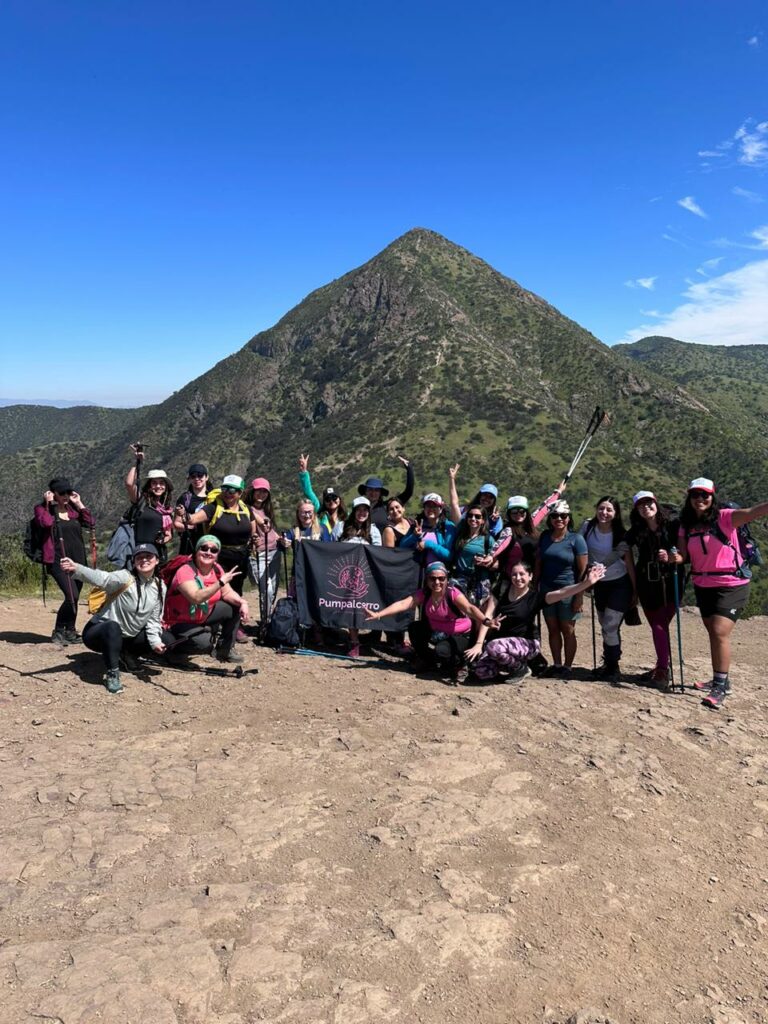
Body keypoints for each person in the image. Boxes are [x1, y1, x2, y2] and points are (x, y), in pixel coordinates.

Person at [666, 477, 768, 710]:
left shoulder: (725, 517)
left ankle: (720, 687)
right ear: (689, 498)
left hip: (732, 582)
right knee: (713, 632)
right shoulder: (686, 525)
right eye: (695, 495)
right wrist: (675, 558)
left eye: (705, 495)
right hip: (703, 583)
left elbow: (754, 511)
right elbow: (684, 557)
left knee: (720, 631)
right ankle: (721, 678)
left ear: (713, 497)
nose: (700, 499)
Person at [466, 561, 606, 682]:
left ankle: (521, 669)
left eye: (522, 574)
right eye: (514, 574)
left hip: (528, 643)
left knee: (493, 647)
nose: (518, 578)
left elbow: (562, 592)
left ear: (530, 576)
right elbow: (487, 617)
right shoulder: (501, 590)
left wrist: (586, 583)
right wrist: (479, 644)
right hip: (502, 642)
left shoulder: (535, 598)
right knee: (481, 671)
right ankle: (509, 665)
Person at [59, 543, 166, 694]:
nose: (144, 560)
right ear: (134, 562)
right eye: (139, 557)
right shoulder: (125, 577)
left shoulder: (160, 586)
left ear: (157, 560)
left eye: (149, 556)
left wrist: (155, 642)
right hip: (99, 633)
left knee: (164, 638)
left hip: (126, 637)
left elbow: (154, 619)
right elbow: (102, 578)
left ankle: (127, 655)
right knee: (113, 626)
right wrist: (76, 568)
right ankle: (112, 672)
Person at [364, 561, 496, 683]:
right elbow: (404, 603)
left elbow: (470, 608)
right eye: (433, 578)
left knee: (442, 651)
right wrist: (378, 614)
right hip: (438, 632)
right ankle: (427, 660)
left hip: (460, 635)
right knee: (415, 628)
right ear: (427, 580)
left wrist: (486, 620)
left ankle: (459, 664)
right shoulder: (425, 593)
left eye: (441, 578)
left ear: (446, 579)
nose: (437, 582)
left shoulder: (452, 593)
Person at [625, 490, 685, 689]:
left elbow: (685, 551)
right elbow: (622, 547)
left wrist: (671, 556)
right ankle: (662, 667)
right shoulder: (636, 530)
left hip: (671, 581)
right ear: (636, 509)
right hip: (648, 582)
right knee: (659, 625)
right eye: (641, 505)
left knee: (661, 626)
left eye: (648, 502)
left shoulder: (674, 524)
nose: (645, 507)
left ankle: (661, 668)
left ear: (656, 503)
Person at [162, 535, 250, 663]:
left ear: (217, 554)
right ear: (197, 550)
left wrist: (243, 602)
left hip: (201, 615)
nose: (208, 552)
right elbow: (196, 597)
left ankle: (225, 650)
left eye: (213, 550)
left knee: (234, 606)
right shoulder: (185, 570)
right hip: (177, 622)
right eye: (204, 548)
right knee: (204, 644)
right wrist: (219, 583)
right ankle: (172, 648)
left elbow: (227, 593)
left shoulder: (216, 569)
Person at [579, 496, 637, 684]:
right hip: (600, 584)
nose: (604, 513)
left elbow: (628, 562)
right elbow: (581, 553)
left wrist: (635, 591)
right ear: (596, 509)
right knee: (606, 626)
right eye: (602, 508)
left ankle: (613, 666)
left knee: (610, 625)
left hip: (619, 584)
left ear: (616, 513)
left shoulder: (621, 534)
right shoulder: (587, 528)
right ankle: (609, 663)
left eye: (609, 510)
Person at [33, 479, 96, 644]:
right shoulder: (42, 509)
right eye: (62, 493)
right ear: (53, 494)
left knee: (75, 597)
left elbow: (90, 523)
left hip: (78, 560)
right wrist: (48, 505)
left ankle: (70, 631)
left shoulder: (73, 511)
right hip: (57, 560)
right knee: (71, 595)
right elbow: (45, 523)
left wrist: (79, 503)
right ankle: (59, 630)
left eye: (68, 492)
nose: (66, 496)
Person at [537, 500, 588, 679]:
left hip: (569, 590)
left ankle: (567, 667)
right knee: (552, 628)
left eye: (563, 516)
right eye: (555, 516)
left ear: (568, 518)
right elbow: (539, 563)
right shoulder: (544, 537)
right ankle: (557, 664)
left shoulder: (576, 539)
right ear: (550, 519)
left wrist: (579, 596)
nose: (559, 519)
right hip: (547, 590)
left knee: (568, 629)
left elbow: (582, 570)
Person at [490, 481, 567, 580]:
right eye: (514, 511)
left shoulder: (531, 524)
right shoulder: (507, 530)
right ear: (509, 513)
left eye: (522, 511)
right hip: (512, 578)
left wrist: (558, 491)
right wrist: (491, 556)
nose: (518, 514)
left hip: (532, 577)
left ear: (526, 512)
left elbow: (544, 508)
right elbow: (499, 545)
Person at [340, 496, 381, 657]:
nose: (362, 513)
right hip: (346, 573)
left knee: (363, 607)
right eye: (359, 510)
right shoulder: (341, 527)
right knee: (350, 607)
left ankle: (371, 637)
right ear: (354, 511)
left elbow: (379, 552)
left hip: (366, 575)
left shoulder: (374, 530)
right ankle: (354, 640)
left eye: (365, 510)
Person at [124, 445, 174, 561]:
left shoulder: (167, 509)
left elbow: (169, 534)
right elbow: (129, 484)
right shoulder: (141, 501)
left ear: (166, 487)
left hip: (157, 554)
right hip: (139, 553)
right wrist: (137, 462)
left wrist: (165, 539)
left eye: (161, 483)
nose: (158, 486)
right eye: (154, 483)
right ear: (149, 486)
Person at [244, 477, 283, 611]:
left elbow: (271, 529)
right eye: (258, 491)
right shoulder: (246, 509)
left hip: (274, 550)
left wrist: (281, 539)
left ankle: (268, 618)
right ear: (252, 492)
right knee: (267, 589)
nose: (261, 494)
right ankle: (266, 622)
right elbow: (261, 522)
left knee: (273, 587)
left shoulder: (267, 509)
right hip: (259, 553)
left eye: (265, 491)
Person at [450, 504, 497, 607]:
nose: (473, 518)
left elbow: (496, 563)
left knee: (478, 613)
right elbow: (454, 505)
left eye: (477, 516)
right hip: (460, 579)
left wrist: (485, 562)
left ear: (483, 520)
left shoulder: (488, 540)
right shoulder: (461, 536)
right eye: (470, 515)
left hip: (480, 582)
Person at [357, 456, 414, 531]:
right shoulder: (359, 509)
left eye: (376, 490)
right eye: (370, 489)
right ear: (365, 491)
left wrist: (409, 468)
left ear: (380, 493)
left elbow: (408, 492)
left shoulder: (387, 506)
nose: (373, 493)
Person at [400, 493, 457, 566]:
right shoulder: (417, 525)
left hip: (439, 573)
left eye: (434, 506)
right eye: (428, 506)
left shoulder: (448, 527)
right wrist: (414, 536)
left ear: (440, 509)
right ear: (424, 509)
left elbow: (449, 556)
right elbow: (402, 546)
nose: (431, 509)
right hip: (417, 571)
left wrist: (429, 544)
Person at [298, 454, 346, 539]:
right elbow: (308, 492)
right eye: (328, 499)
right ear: (324, 501)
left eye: (334, 498)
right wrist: (304, 472)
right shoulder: (319, 511)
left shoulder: (346, 516)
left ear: (339, 499)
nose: (331, 501)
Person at [447, 465, 503, 538]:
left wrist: (493, 523)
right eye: (485, 495)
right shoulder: (465, 510)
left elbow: (495, 537)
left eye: (491, 497)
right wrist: (452, 478)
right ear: (480, 495)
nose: (487, 499)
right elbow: (454, 504)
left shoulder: (497, 520)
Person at [174, 463, 211, 555]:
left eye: (200, 475)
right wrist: (189, 527)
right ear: (189, 479)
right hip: (190, 544)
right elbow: (177, 523)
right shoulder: (185, 499)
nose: (197, 479)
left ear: (206, 477)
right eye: (193, 476)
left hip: (210, 543)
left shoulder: (214, 497)